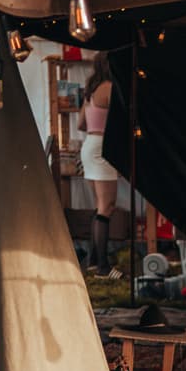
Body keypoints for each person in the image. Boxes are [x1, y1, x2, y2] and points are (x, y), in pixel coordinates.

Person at [79, 56, 121, 276]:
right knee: (107, 205)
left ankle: (94, 261)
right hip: (101, 147)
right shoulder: (109, 88)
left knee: (100, 205)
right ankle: (103, 266)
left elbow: (80, 124)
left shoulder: (90, 92)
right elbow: (122, 116)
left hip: (90, 144)